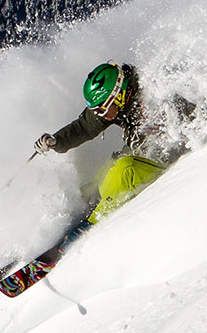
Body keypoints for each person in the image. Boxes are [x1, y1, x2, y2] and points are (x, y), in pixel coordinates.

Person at [34, 61, 190, 224]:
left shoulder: (153, 95)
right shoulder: (118, 103)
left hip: (169, 159)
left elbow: (187, 115)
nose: (100, 114)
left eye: (102, 109)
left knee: (123, 170)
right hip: (141, 153)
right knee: (106, 172)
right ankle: (82, 206)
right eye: (96, 110)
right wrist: (57, 141)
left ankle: (92, 223)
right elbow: (84, 127)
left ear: (118, 94)